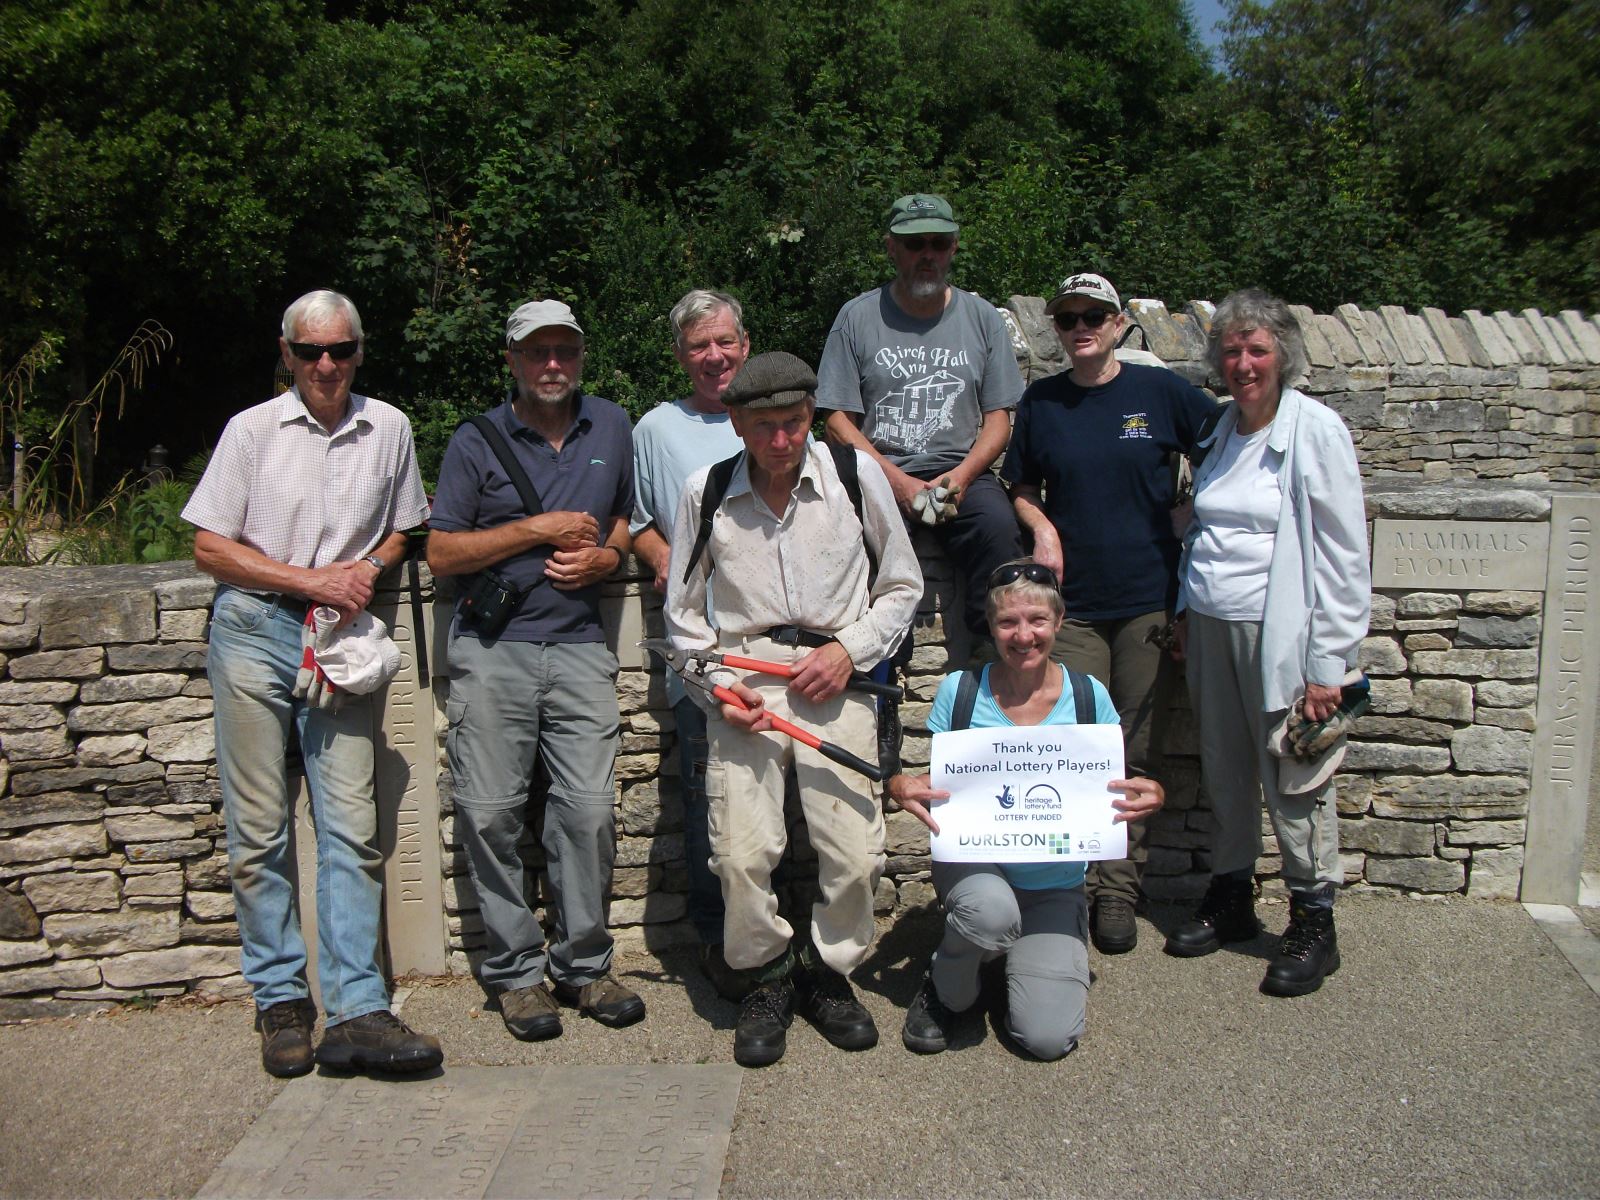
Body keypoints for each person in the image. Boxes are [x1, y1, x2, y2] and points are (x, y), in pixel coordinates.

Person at [184, 289, 442, 1078]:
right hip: (256, 629)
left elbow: (408, 527)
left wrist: (364, 568)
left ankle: (359, 1008)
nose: (324, 365)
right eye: (308, 352)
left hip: (339, 641)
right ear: (287, 355)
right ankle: (281, 1001)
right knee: (258, 830)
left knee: (350, 829)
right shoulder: (251, 432)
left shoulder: (388, 427)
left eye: (338, 350)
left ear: (360, 351)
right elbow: (209, 548)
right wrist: (308, 578)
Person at [665, 351, 922, 1067]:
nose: (783, 440)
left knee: (855, 854)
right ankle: (768, 978)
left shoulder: (853, 474)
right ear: (738, 425)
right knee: (741, 853)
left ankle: (829, 973)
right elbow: (684, 622)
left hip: (837, 675)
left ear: (812, 415)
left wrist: (850, 650)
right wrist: (717, 689)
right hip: (746, 680)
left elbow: (902, 586)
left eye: (796, 423)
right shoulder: (705, 491)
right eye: (766, 427)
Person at [427, 299, 644, 1042]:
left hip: (581, 648)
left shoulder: (613, 426)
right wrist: (535, 529)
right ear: (514, 360)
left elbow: (624, 517)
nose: (553, 365)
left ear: (581, 357)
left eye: (566, 352)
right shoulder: (476, 440)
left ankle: (585, 967)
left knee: (586, 812)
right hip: (494, 652)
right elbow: (441, 554)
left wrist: (608, 556)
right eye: (538, 353)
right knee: (489, 812)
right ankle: (518, 976)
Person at [1003, 271, 1217, 956]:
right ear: (1057, 330)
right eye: (1068, 318)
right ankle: (1063, 885)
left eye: (1095, 315)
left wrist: (1197, 506)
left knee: (1133, 746)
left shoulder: (1160, 393)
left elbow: (1227, 440)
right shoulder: (1043, 401)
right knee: (1071, 744)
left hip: (1146, 600)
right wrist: (1040, 525)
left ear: (1120, 323)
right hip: (1076, 608)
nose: (1082, 327)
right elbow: (1020, 483)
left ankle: (1118, 892)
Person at [1167, 288, 1370, 997]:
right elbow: (1203, 534)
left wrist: (1330, 665)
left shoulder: (1315, 429)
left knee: (1294, 774)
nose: (1244, 362)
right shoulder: (1223, 430)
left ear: (1282, 353)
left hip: (1283, 634)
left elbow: (1344, 557)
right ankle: (1232, 895)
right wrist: (1189, 612)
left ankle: (1314, 916)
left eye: (1257, 349)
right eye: (1231, 350)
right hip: (1215, 626)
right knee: (1224, 766)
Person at [888, 559, 1164, 1059]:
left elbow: (1112, 785)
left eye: (1037, 620)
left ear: (1058, 622)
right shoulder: (961, 693)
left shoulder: (1087, 696)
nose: (1023, 635)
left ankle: (1011, 950)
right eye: (1008, 622)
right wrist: (903, 786)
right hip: (979, 868)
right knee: (990, 912)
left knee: (1046, 1038)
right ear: (990, 627)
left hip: (1053, 883)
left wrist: (1149, 793)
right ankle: (948, 984)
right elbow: (947, 783)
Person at [817, 192, 1024, 652]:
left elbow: (998, 420)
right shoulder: (857, 317)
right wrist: (896, 483)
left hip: (960, 469)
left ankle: (994, 659)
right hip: (876, 467)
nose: (926, 254)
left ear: (952, 247)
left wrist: (962, 477)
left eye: (938, 242)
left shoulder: (982, 318)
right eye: (914, 245)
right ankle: (877, 666)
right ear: (892, 248)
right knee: (852, 546)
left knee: (999, 532)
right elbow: (837, 421)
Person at [629, 289, 750, 998]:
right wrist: (661, 557)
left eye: (724, 342)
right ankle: (718, 941)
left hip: (776, 646)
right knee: (708, 798)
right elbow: (638, 520)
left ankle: (776, 933)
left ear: (744, 343)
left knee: (777, 798)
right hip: (700, 647)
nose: (714, 357)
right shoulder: (656, 429)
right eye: (699, 346)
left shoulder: (772, 412)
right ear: (681, 355)